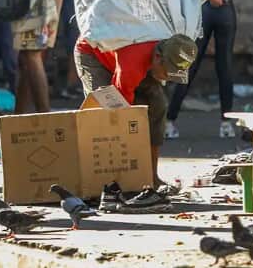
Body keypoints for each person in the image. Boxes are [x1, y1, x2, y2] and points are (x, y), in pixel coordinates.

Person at [75, 34, 198, 188]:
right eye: (168, 72)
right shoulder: (132, 65)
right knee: (105, 115)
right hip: (93, 53)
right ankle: (105, 182)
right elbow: (120, 112)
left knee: (158, 105)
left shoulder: (167, 45)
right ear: (158, 58)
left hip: (131, 57)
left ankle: (151, 177)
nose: (169, 78)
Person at [166, 0, 238, 139]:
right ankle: (225, 123)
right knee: (220, 65)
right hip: (215, 4)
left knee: (192, 62)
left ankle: (170, 120)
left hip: (206, 5)